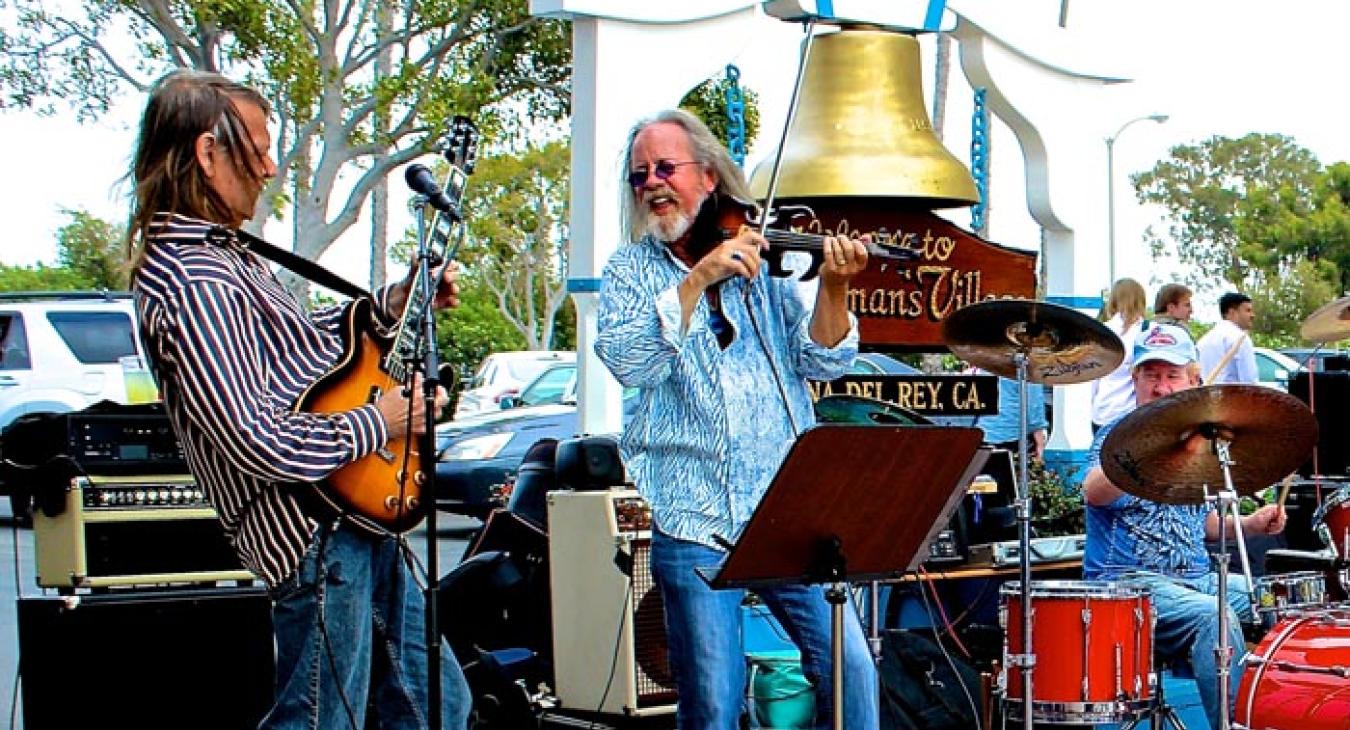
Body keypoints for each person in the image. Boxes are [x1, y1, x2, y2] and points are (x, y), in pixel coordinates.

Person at [126, 70, 471, 729]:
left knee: (434, 706)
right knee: (320, 720)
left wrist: (390, 306)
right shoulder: (191, 278)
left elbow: (302, 363)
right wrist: (383, 420)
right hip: (313, 528)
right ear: (207, 153)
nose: (268, 167)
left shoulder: (228, 257)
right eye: (257, 148)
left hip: (350, 513)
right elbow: (255, 435)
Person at [594, 109, 878, 729]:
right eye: (640, 175)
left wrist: (834, 287)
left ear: (709, 175)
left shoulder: (764, 262)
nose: (653, 184)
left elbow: (822, 361)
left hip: (785, 506)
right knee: (715, 703)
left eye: (666, 167)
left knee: (852, 669)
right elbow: (630, 362)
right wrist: (698, 278)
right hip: (692, 513)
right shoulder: (627, 272)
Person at [1082, 323, 1285, 730]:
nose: (1161, 387)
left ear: (1192, 381)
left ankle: (1276, 714)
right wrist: (1154, 446)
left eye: (1171, 375)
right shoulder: (1115, 435)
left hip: (1196, 578)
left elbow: (1201, 524)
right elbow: (1093, 492)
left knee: (1281, 602)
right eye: (1151, 375)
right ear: (1135, 380)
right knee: (1215, 616)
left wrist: (1251, 523)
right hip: (1129, 585)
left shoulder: (1200, 445)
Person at [1090, 278, 1148, 433]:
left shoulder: (1101, 331)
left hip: (1102, 410)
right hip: (1134, 413)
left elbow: (1092, 377)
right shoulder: (1148, 332)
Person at [1197, 292, 1258, 384]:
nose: (1252, 315)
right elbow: (1250, 382)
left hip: (1207, 396)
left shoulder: (1203, 341)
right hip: (1233, 397)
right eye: (1248, 310)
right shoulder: (1240, 338)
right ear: (1231, 312)